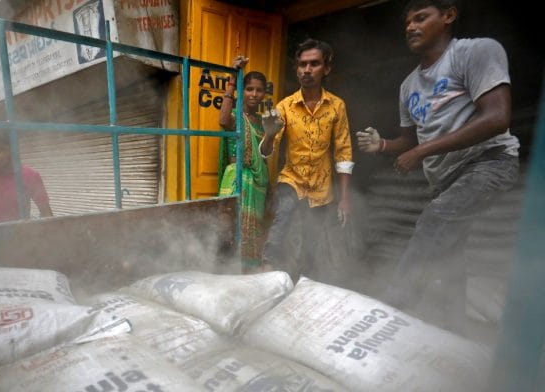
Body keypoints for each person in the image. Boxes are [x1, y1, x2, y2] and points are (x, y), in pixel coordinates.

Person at [356, 0, 520, 333]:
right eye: (407, 22)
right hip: (446, 180)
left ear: (448, 16)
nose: (410, 27)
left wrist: (422, 152)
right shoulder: (408, 86)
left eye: (420, 18)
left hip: (489, 162)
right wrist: (383, 146)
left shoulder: (475, 53)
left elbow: (497, 117)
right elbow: (410, 142)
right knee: (450, 259)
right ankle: (453, 330)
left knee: (435, 220)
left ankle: (388, 311)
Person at [259, 38, 354, 279]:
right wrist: (269, 135)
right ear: (296, 69)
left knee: (311, 243)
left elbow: (343, 153)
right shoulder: (286, 106)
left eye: (314, 64)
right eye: (302, 65)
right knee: (283, 220)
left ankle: (301, 283)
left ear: (327, 68)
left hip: (321, 188)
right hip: (291, 179)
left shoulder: (336, 107)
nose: (307, 70)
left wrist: (344, 199)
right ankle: (266, 272)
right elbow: (267, 150)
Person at [217, 55, 270, 273]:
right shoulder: (234, 115)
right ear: (243, 90)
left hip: (257, 186)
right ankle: (225, 271)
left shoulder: (264, 122)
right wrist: (232, 79)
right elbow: (222, 121)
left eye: (259, 90)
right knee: (230, 228)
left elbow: (264, 156)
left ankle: (246, 275)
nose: (254, 94)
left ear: (264, 93)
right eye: (249, 89)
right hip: (235, 179)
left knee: (251, 233)